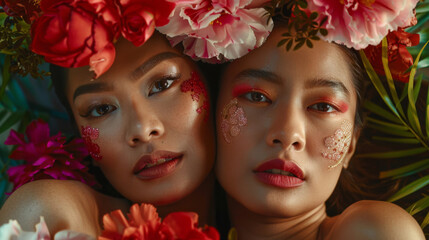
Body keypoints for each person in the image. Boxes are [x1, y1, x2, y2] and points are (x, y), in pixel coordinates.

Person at [215, 23, 426, 239]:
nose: (288, 135)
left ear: (352, 143)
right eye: (257, 96)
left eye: (322, 107)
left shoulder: (375, 233)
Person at [0, 30, 216, 237]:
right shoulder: (48, 218)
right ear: (80, 134)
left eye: (162, 84)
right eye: (101, 109)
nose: (142, 130)